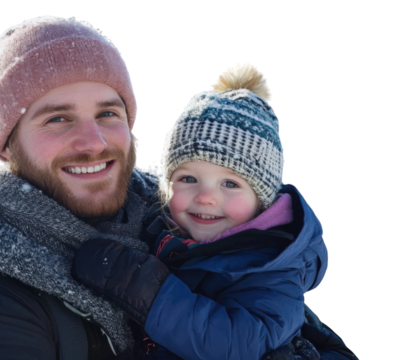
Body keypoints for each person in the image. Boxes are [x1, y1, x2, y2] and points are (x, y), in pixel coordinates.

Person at [0, 14, 356, 360]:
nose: (92, 142)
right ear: (8, 145)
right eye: (58, 118)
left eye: (108, 113)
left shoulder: (182, 236)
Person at [69, 62, 325, 360]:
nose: (205, 197)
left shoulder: (272, 269)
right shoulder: (165, 230)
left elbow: (235, 344)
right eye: (188, 179)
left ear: (262, 200)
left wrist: (141, 287)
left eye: (229, 183)